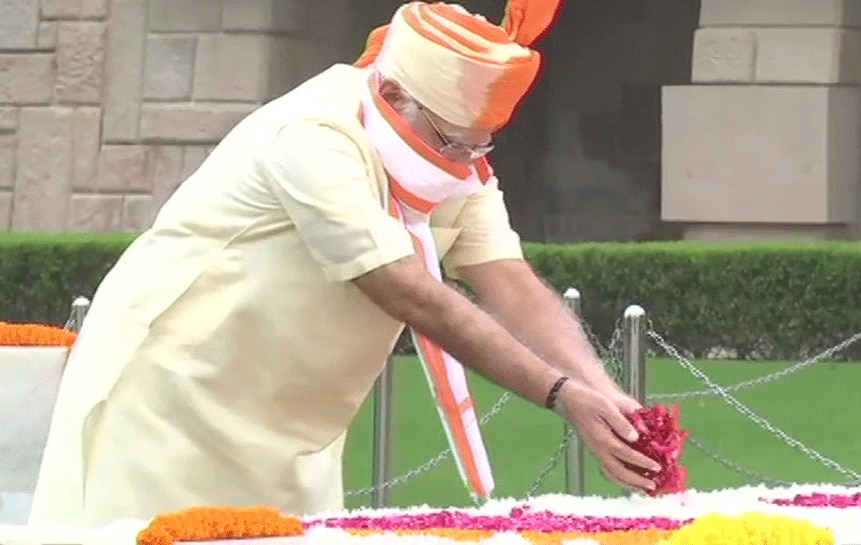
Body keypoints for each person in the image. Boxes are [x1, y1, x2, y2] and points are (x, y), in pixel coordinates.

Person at [30, 0, 660, 527]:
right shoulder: (313, 133)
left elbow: (510, 280)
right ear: (390, 92)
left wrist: (604, 396)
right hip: (170, 399)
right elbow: (404, 290)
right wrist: (557, 394)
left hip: (292, 429)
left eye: (481, 144)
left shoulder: (460, 162)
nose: (466, 161)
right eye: (451, 141)